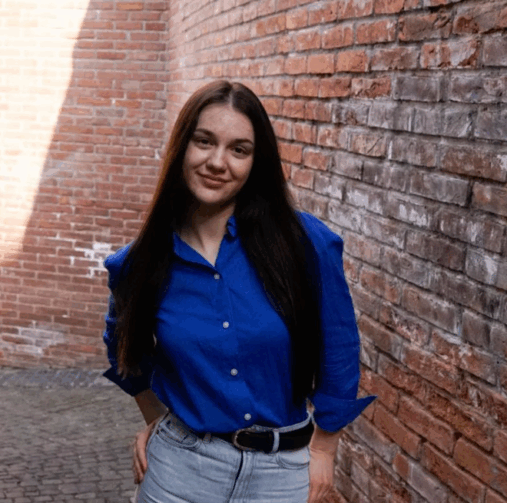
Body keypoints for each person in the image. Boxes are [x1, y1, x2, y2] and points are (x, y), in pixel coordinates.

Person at [102, 80, 375, 503]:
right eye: (204, 141)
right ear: (182, 147)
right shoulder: (141, 263)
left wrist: (324, 448)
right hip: (179, 472)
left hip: (283, 476)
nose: (217, 162)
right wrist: (154, 416)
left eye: (239, 150)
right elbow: (124, 350)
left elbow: (339, 347)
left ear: (255, 162)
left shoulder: (305, 243)